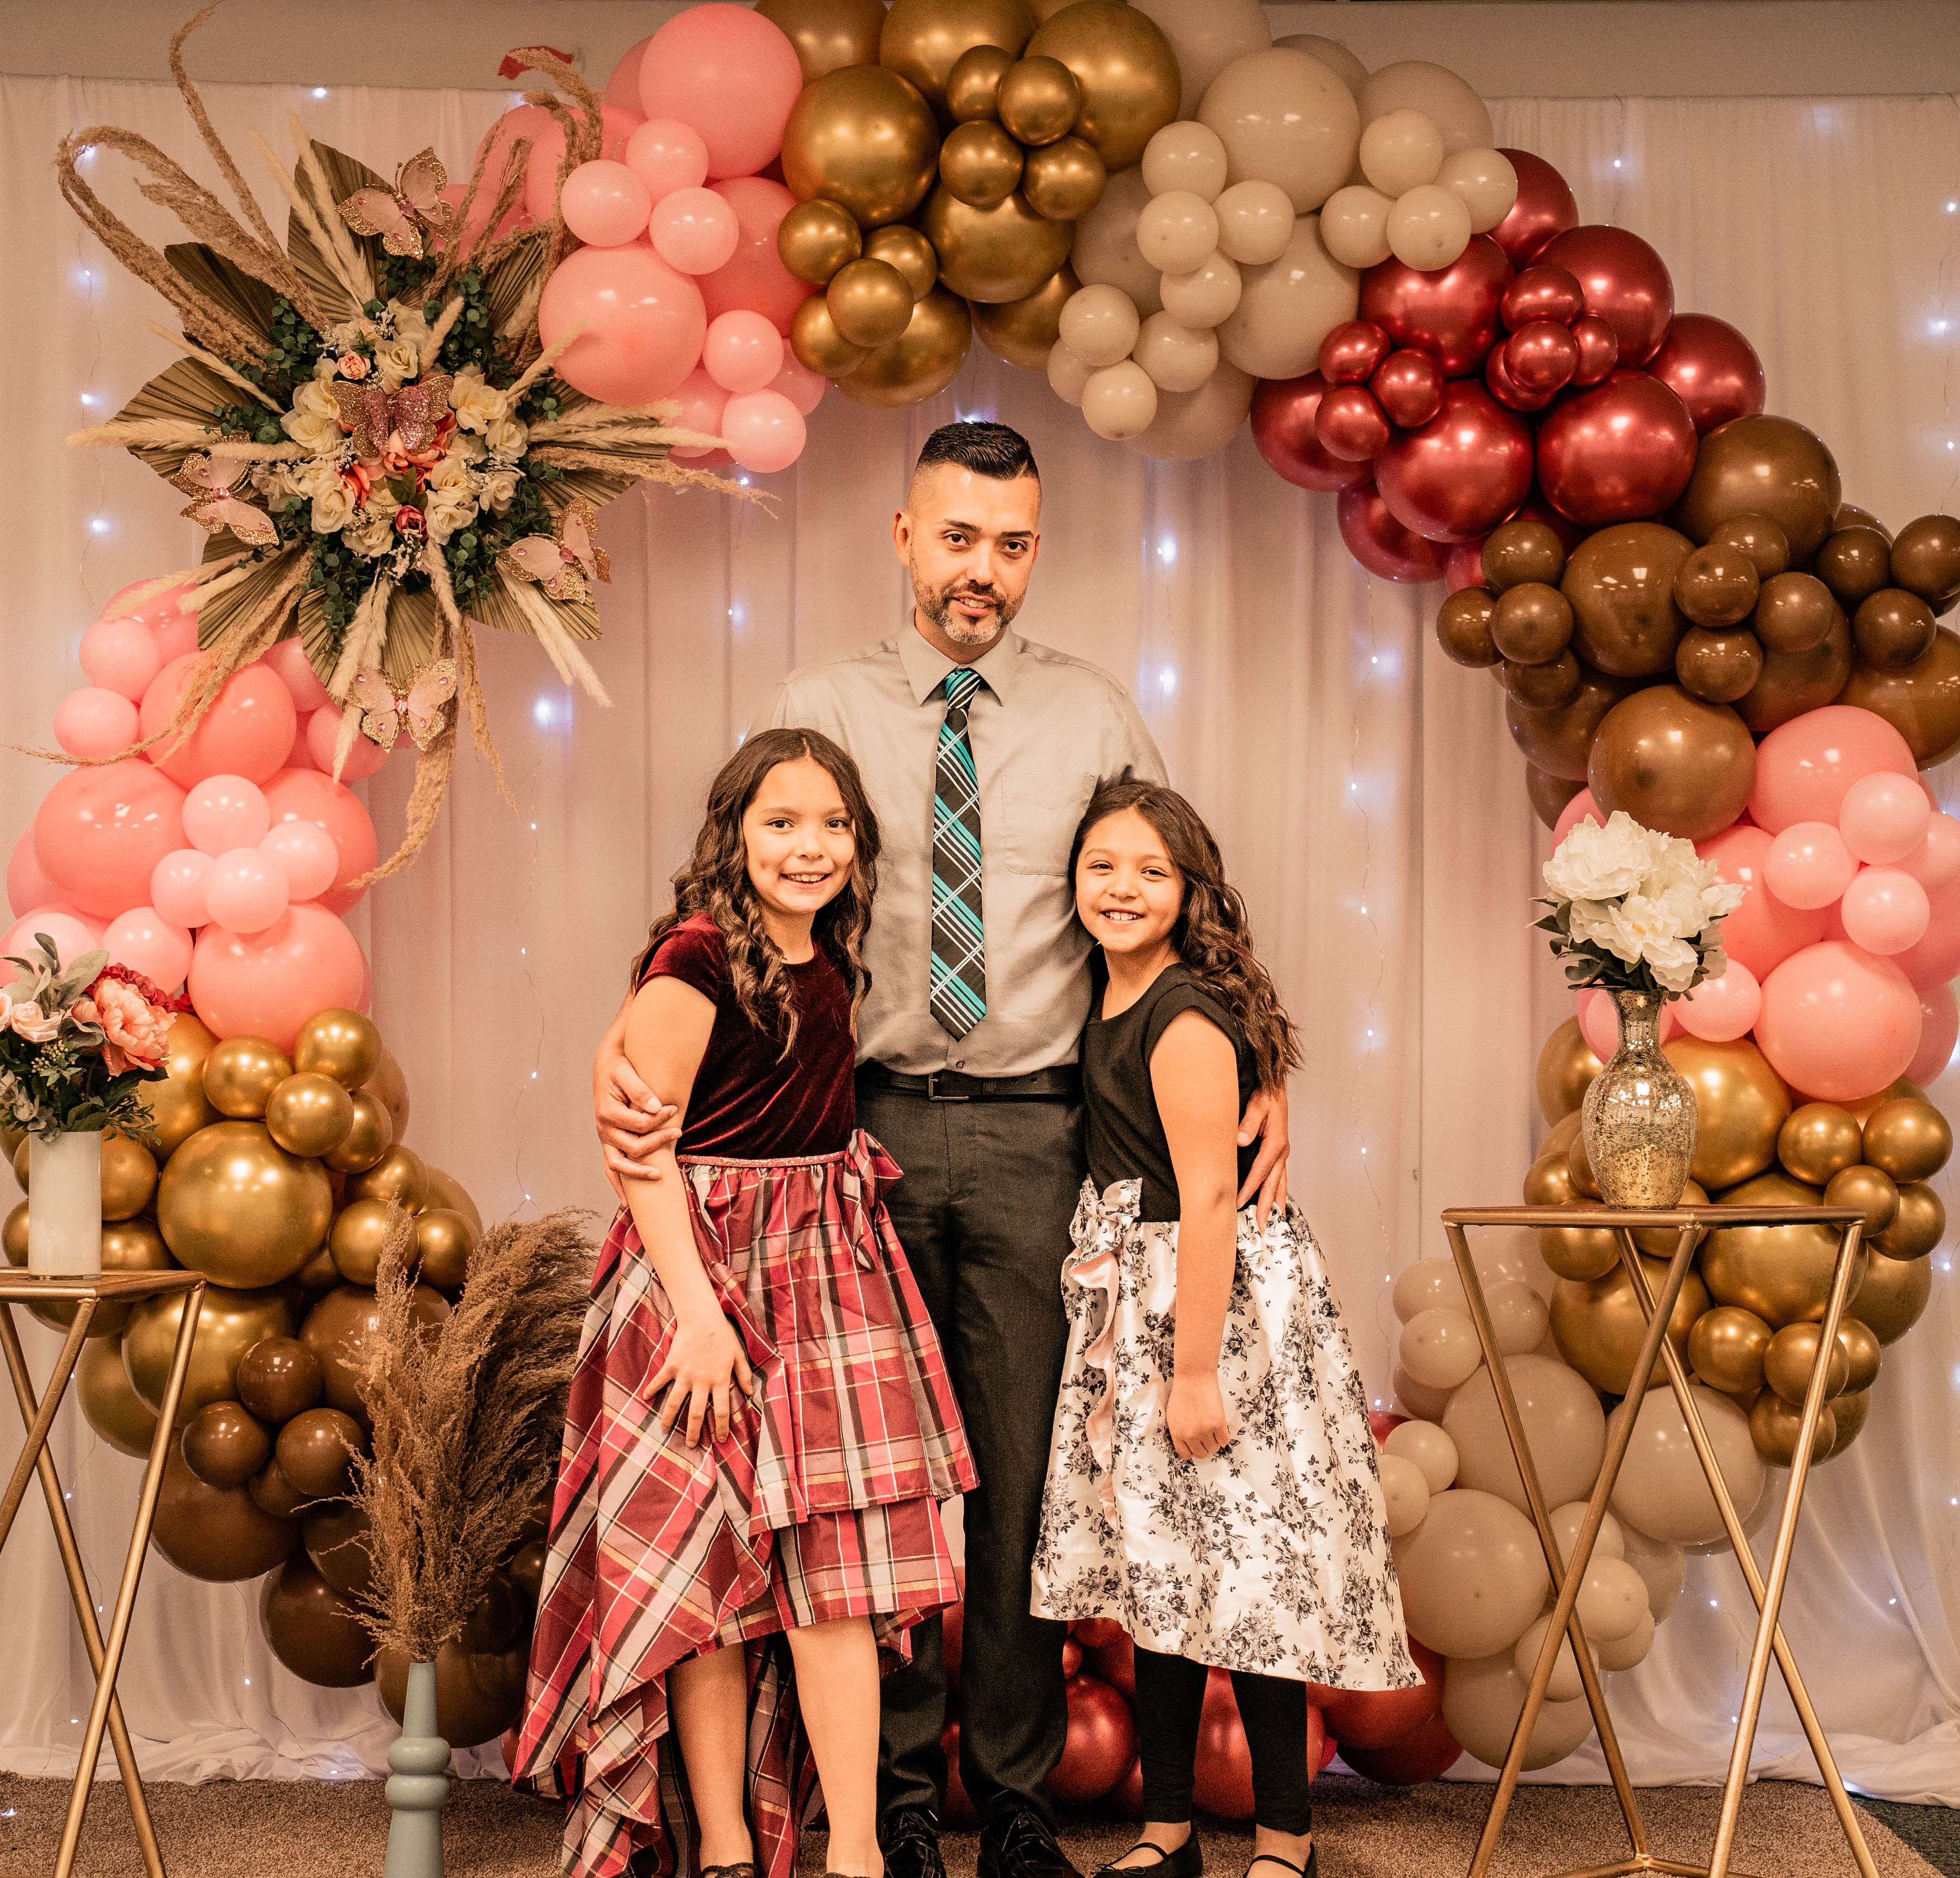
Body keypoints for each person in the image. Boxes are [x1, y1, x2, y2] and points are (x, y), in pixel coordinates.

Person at [592, 423, 1290, 1878]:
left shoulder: (1094, 713)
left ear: (1037, 550)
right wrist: (635, 1029)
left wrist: (1258, 1065)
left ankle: (1016, 1792)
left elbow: (1173, 889)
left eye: (1013, 545)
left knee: (1024, 1473)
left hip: (1046, 1133)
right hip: (862, 1141)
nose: (984, 573)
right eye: (958, 539)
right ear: (903, 536)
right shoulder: (819, 699)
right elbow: (745, 890)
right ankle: (895, 1805)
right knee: (883, 1487)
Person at [517, 727, 976, 1878]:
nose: (809, 846)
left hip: (825, 1278)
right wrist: (701, 1313)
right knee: (706, 1578)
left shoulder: (829, 957)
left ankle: (856, 1853)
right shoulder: (698, 957)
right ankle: (723, 1846)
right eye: (781, 822)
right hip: (705, 1279)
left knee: (836, 1586)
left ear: (859, 846)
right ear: (735, 834)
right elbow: (641, 1149)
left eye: (833, 825)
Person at [1030, 782, 1419, 1878]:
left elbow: (1207, 1202)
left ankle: (1286, 1837)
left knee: (1249, 1582)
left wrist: (1193, 1373)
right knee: (1160, 1576)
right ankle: (1168, 1829)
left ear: (1191, 891)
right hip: (1138, 1306)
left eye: (1152, 871)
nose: (1122, 888)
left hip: (1206, 1315)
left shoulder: (1182, 1013)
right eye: (1103, 865)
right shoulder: (1108, 996)